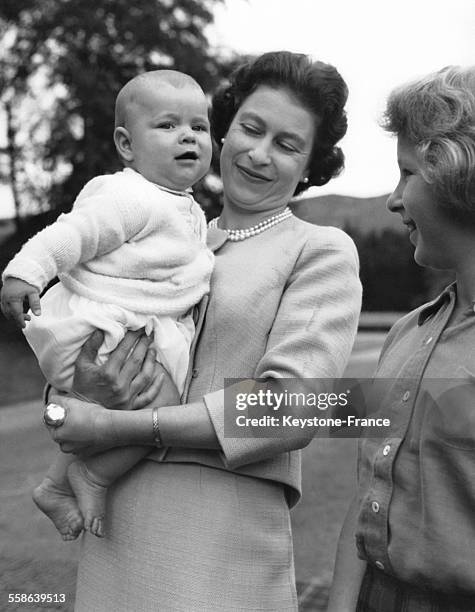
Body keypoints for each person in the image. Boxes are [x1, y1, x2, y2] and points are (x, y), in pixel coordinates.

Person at [46, 51, 362, 611]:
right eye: (251, 128)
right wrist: (76, 394)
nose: (258, 154)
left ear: (310, 164)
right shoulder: (165, 231)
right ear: (226, 127)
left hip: (220, 523)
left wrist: (128, 423)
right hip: (113, 519)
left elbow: (290, 409)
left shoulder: (319, 250)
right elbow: (75, 333)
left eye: (287, 145)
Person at [0, 69, 214, 539]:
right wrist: (26, 271)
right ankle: (90, 475)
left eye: (199, 127)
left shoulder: (185, 207)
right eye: (167, 125)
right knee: (162, 400)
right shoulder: (130, 197)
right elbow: (71, 234)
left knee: (141, 403)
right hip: (103, 324)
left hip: (124, 329)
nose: (189, 137)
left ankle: (57, 485)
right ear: (125, 144)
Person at [327, 65, 475, 612]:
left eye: (406, 174)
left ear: (459, 177)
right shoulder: (406, 333)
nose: (393, 200)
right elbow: (366, 495)